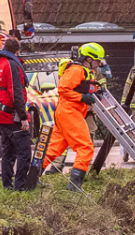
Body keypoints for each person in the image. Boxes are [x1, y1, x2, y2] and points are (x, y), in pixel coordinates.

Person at [42, 42, 104, 192]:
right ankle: (75, 185)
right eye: (97, 60)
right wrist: (81, 97)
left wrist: (94, 93)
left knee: (54, 149)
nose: (99, 64)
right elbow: (63, 89)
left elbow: (83, 87)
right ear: (88, 59)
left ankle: (30, 177)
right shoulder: (76, 70)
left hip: (66, 112)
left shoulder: (85, 71)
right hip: (70, 112)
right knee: (86, 147)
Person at [0, 36, 32, 189]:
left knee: (7, 154)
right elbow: (16, 92)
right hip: (12, 116)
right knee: (24, 153)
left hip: (2, 115)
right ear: (17, 50)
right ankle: (20, 187)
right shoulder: (12, 65)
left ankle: (7, 186)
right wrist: (23, 117)